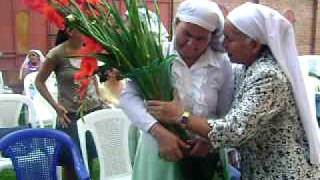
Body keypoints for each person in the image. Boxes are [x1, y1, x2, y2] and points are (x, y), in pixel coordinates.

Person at [148, 2, 320, 179]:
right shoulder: (249, 67)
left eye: (229, 39)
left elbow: (234, 129)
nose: (223, 45)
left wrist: (180, 116)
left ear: (253, 44)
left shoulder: (269, 76)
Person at [120, 0, 234, 179]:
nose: (191, 43)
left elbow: (226, 111)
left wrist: (208, 141)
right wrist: (158, 132)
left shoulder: (221, 64)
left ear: (211, 37)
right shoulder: (156, 54)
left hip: (203, 156)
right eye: (187, 34)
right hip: (160, 150)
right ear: (176, 24)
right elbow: (128, 98)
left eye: (201, 38)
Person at [35, 29, 103, 179]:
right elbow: (39, 82)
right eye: (82, 28)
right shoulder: (57, 54)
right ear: (71, 31)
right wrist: (56, 106)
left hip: (93, 112)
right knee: (71, 161)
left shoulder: (90, 50)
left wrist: (99, 97)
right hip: (69, 116)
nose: (87, 30)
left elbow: (93, 77)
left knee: (88, 158)